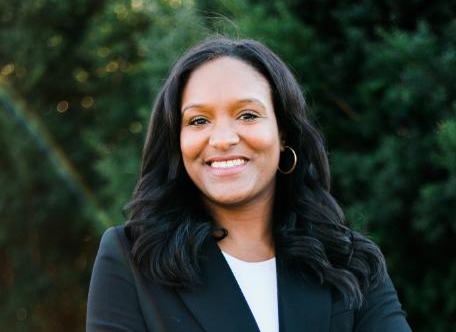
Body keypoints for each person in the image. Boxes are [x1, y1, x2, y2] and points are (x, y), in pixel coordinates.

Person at [86, 37, 411, 332]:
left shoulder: (350, 261)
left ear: (283, 133)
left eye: (247, 115)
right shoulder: (130, 259)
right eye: (199, 120)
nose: (224, 139)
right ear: (177, 141)